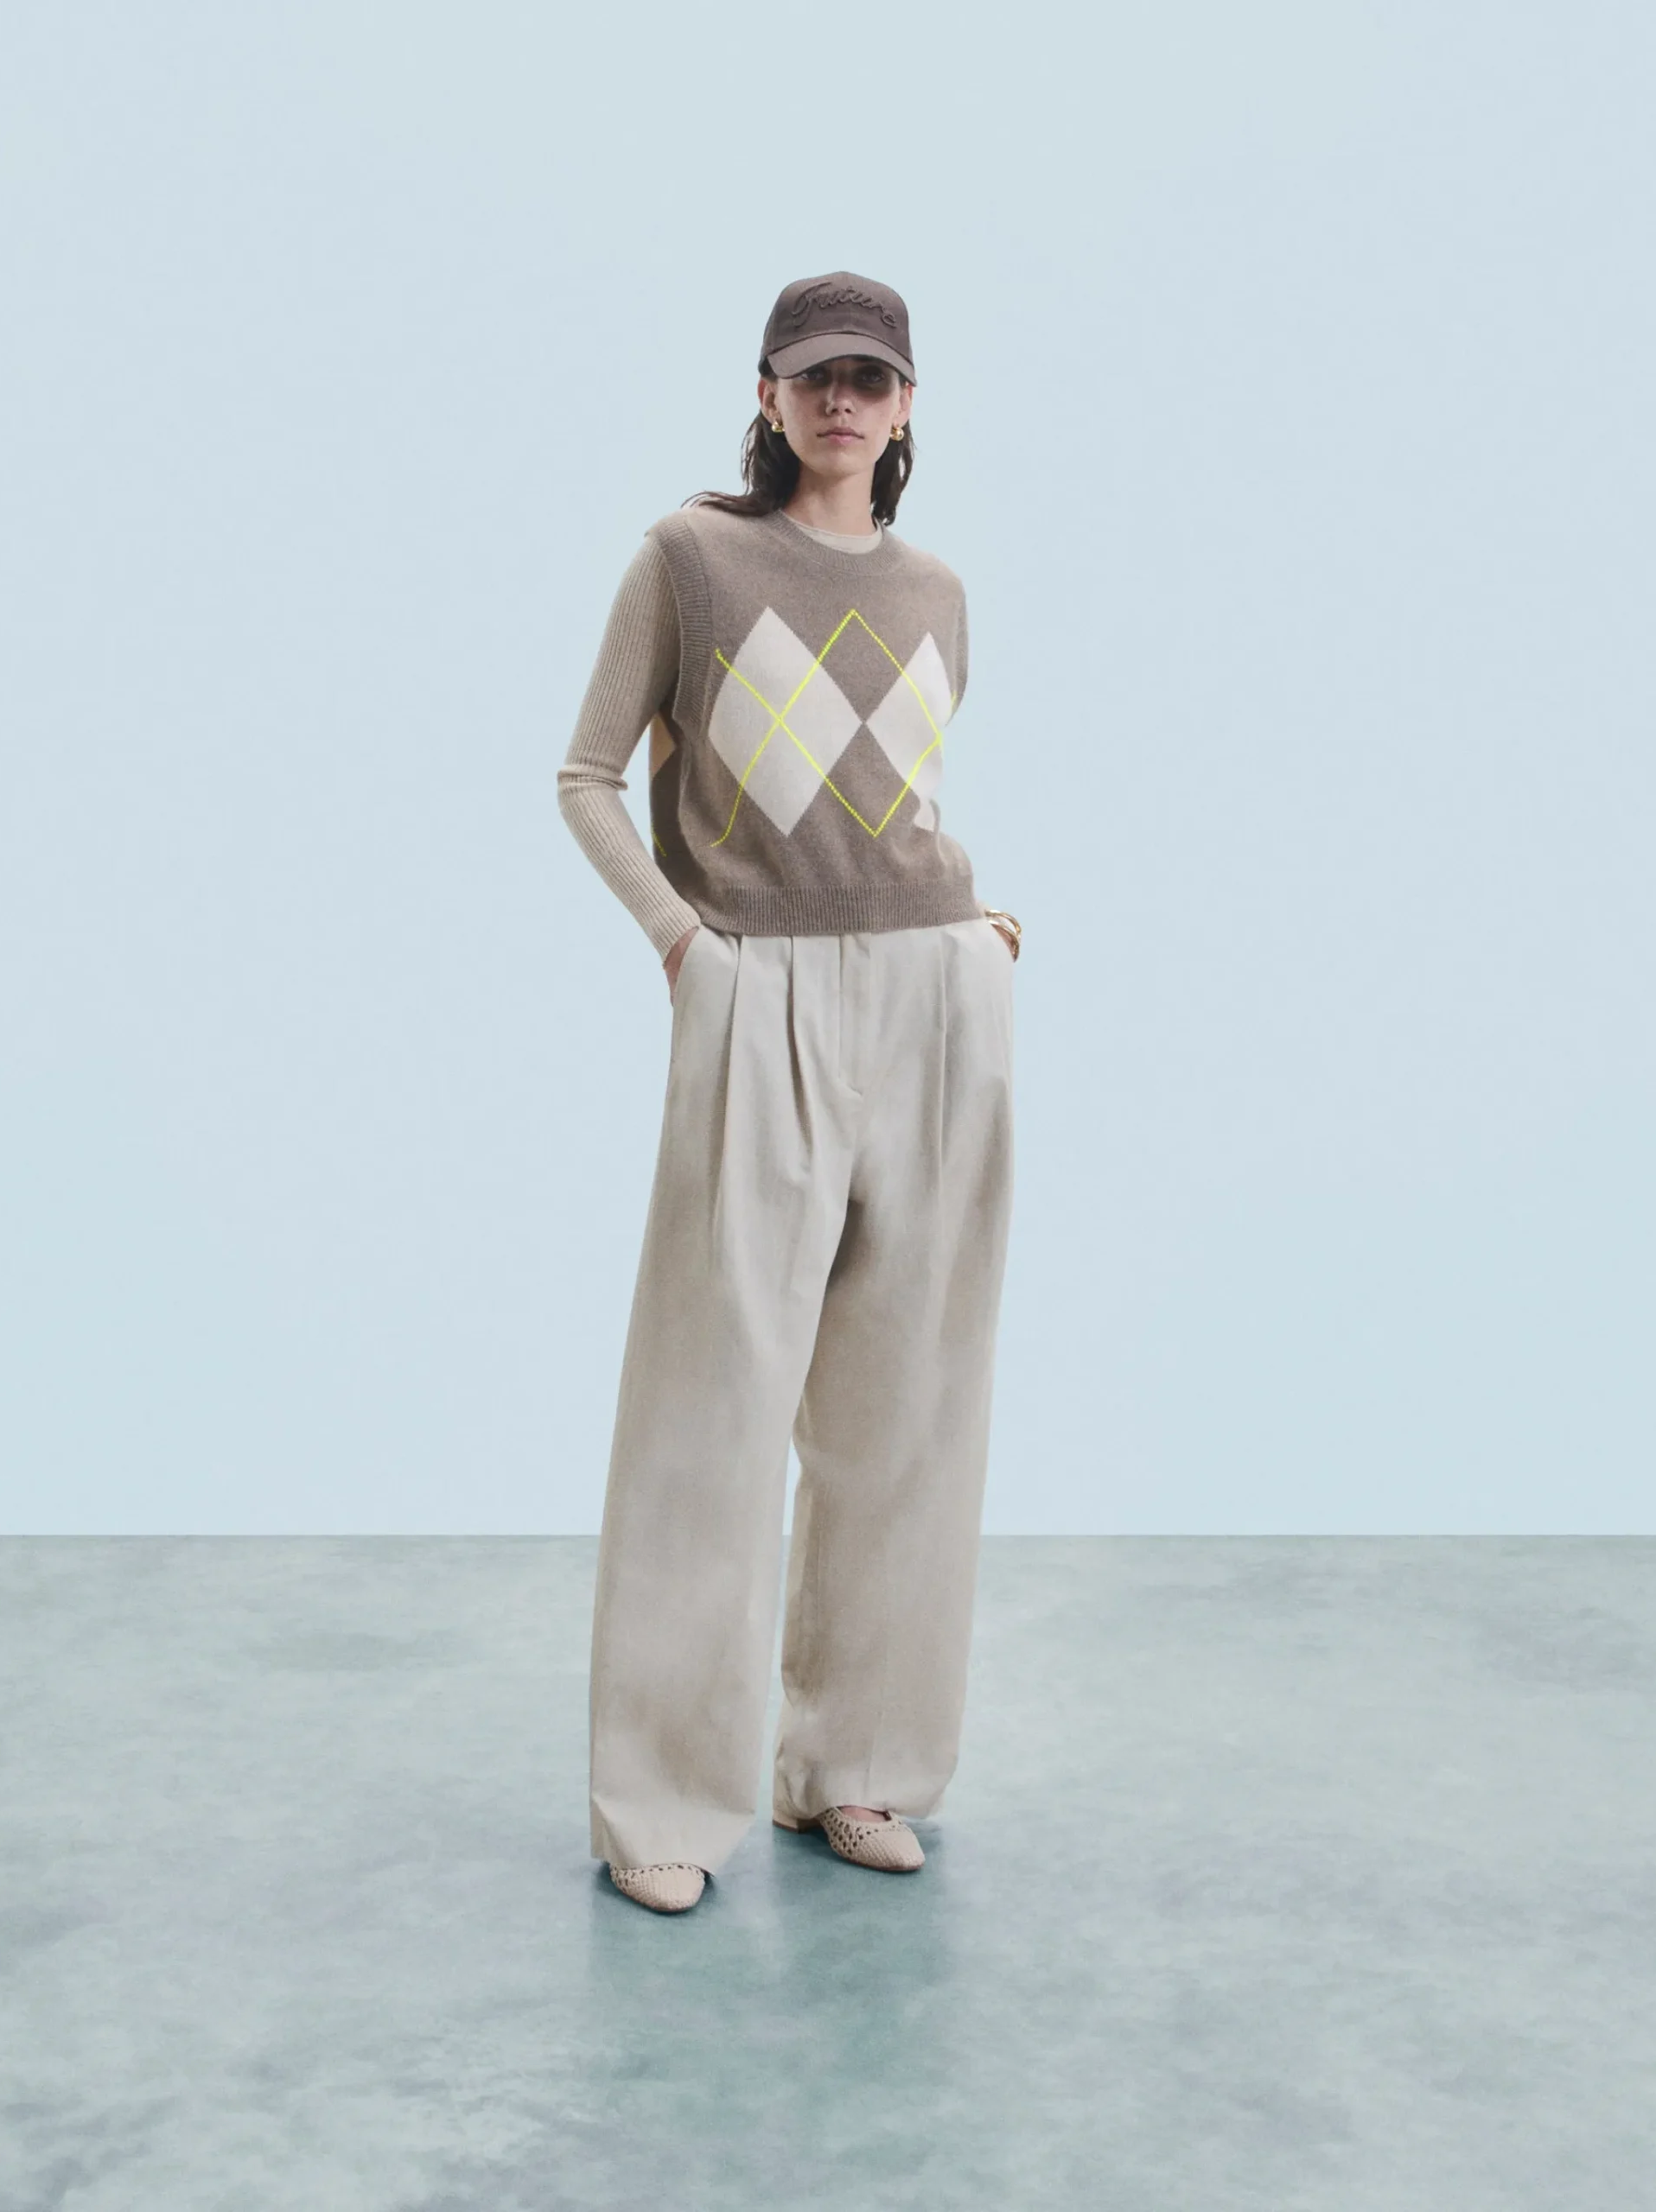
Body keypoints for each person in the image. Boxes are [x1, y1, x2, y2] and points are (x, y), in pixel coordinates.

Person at [557, 270, 1022, 1914]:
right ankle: (662, 1808)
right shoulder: (688, 562)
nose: (841, 401)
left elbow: (894, 803)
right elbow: (587, 775)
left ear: (907, 408)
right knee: (712, 1411)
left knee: (910, 1410)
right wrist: (685, 944)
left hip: (935, 998)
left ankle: (858, 1770)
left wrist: (976, 935)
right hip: (756, 992)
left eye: (870, 379)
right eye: (814, 375)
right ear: (766, 393)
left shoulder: (940, 589)